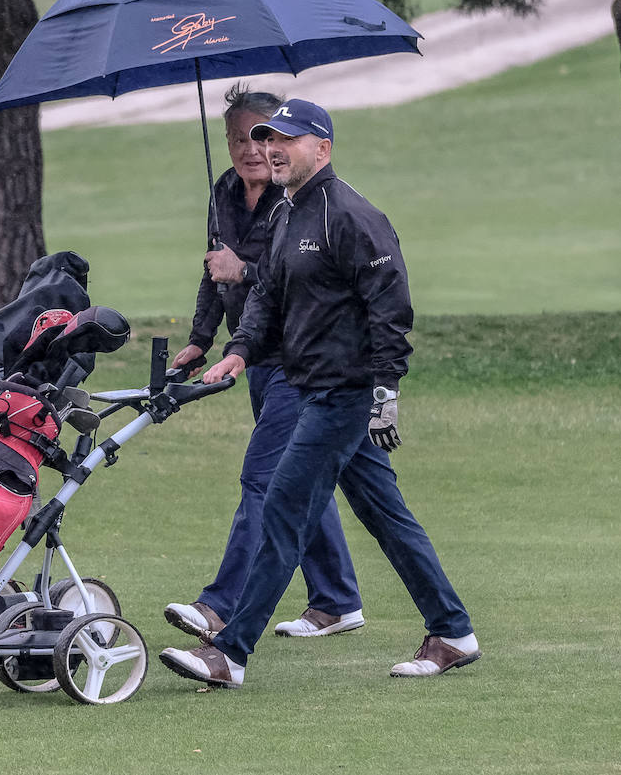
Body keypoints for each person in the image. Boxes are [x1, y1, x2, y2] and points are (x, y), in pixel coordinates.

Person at [160, 99, 480, 688]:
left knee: (283, 507)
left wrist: (386, 391)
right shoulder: (287, 214)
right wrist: (238, 350)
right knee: (385, 515)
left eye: (287, 138)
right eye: (267, 137)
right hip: (310, 388)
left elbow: (391, 311)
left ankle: (229, 650)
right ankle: (453, 631)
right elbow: (268, 299)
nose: (273, 148)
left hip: (345, 393)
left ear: (322, 148)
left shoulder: (352, 216)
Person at [163, 85, 363, 643]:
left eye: (262, 136)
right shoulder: (223, 192)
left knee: (264, 478)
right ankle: (337, 599)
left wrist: (242, 270)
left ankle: (220, 607)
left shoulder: (294, 196)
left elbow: (286, 284)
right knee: (300, 476)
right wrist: (202, 338)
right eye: (238, 138)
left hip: (297, 361)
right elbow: (212, 269)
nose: (251, 150)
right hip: (248, 357)